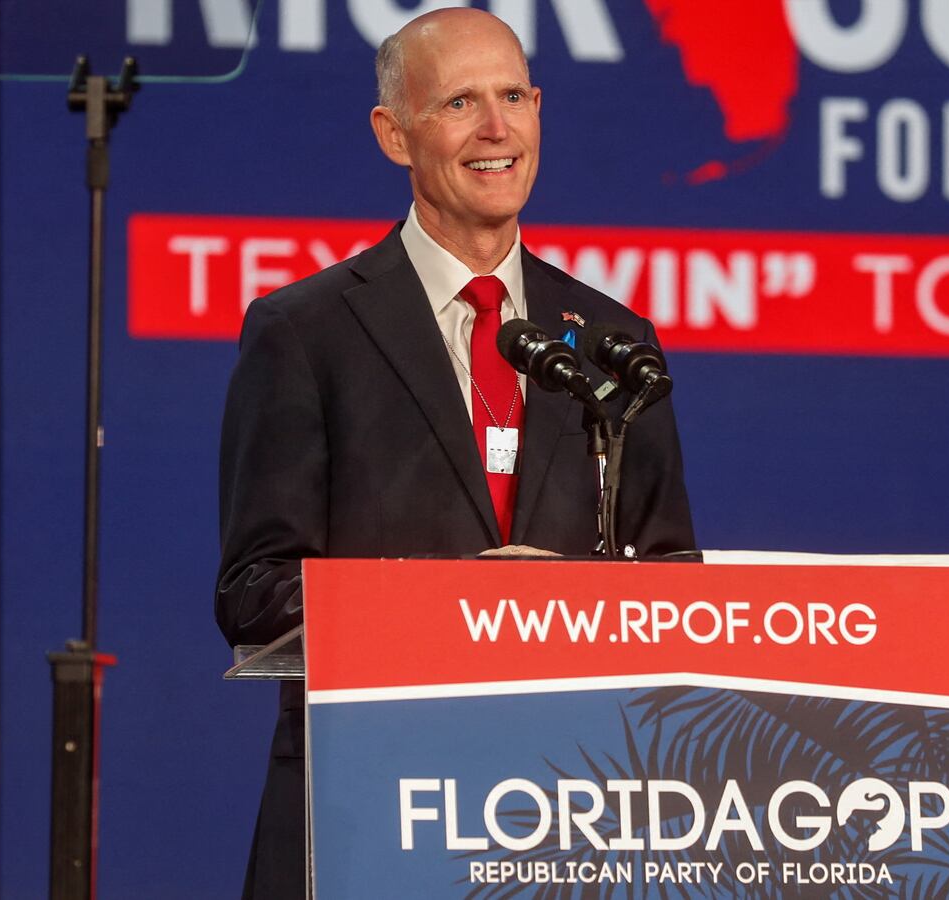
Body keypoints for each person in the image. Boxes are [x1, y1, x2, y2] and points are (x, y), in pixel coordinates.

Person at [215, 8, 695, 897]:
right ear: (394, 135)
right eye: (460, 103)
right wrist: (455, 610)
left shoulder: (612, 341)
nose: (496, 130)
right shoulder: (306, 333)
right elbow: (253, 592)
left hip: (570, 809)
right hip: (370, 801)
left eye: (515, 96)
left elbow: (671, 577)